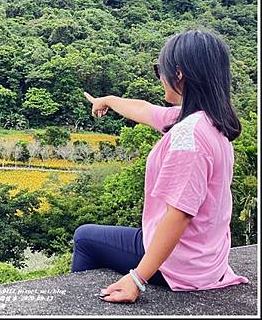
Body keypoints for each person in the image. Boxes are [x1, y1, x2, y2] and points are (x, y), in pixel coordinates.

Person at [78, 28, 250, 303]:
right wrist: (107, 100)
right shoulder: (209, 123)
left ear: (179, 73)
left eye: (161, 69)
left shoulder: (188, 135)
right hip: (207, 257)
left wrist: (137, 279)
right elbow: (145, 110)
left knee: (84, 238)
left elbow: (180, 214)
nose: (160, 77)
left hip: (183, 263)